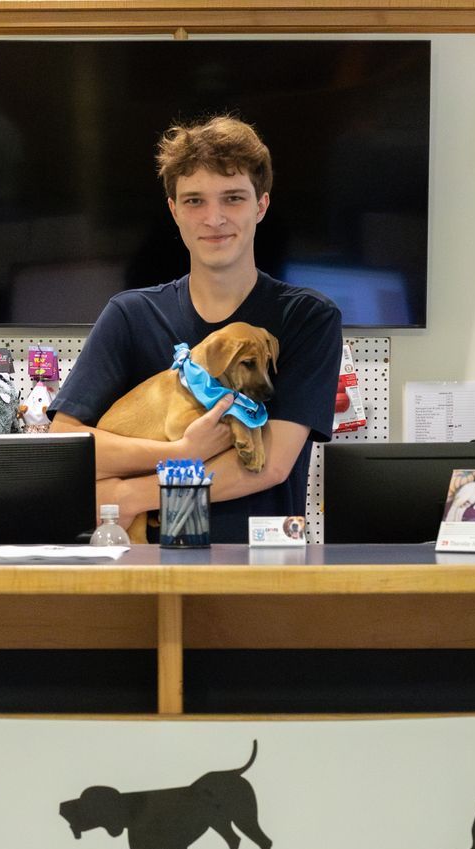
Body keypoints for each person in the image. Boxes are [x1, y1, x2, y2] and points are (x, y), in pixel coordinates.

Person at [51, 115, 344, 543]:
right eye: (194, 201)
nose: (214, 218)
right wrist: (181, 453)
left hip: (260, 567)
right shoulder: (130, 315)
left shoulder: (308, 319)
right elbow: (68, 446)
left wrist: (131, 494)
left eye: (233, 198)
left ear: (261, 205)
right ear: (173, 210)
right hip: (145, 567)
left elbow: (271, 463)